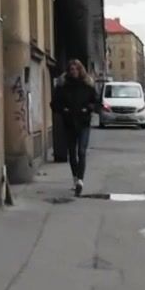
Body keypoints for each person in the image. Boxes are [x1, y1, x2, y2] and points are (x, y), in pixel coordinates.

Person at [52, 59, 98, 195]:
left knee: (81, 151)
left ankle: (80, 181)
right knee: (72, 153)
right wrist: (63, 110)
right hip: (69, 123)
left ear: (80, 70)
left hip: (83, 122)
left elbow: (95, 102)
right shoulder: (63, 86)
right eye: (71, 69)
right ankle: (75, 178)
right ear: (68, 71)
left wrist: (88, 108)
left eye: (76, 69)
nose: (74, 72)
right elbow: (54, 103)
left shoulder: (87, 85)